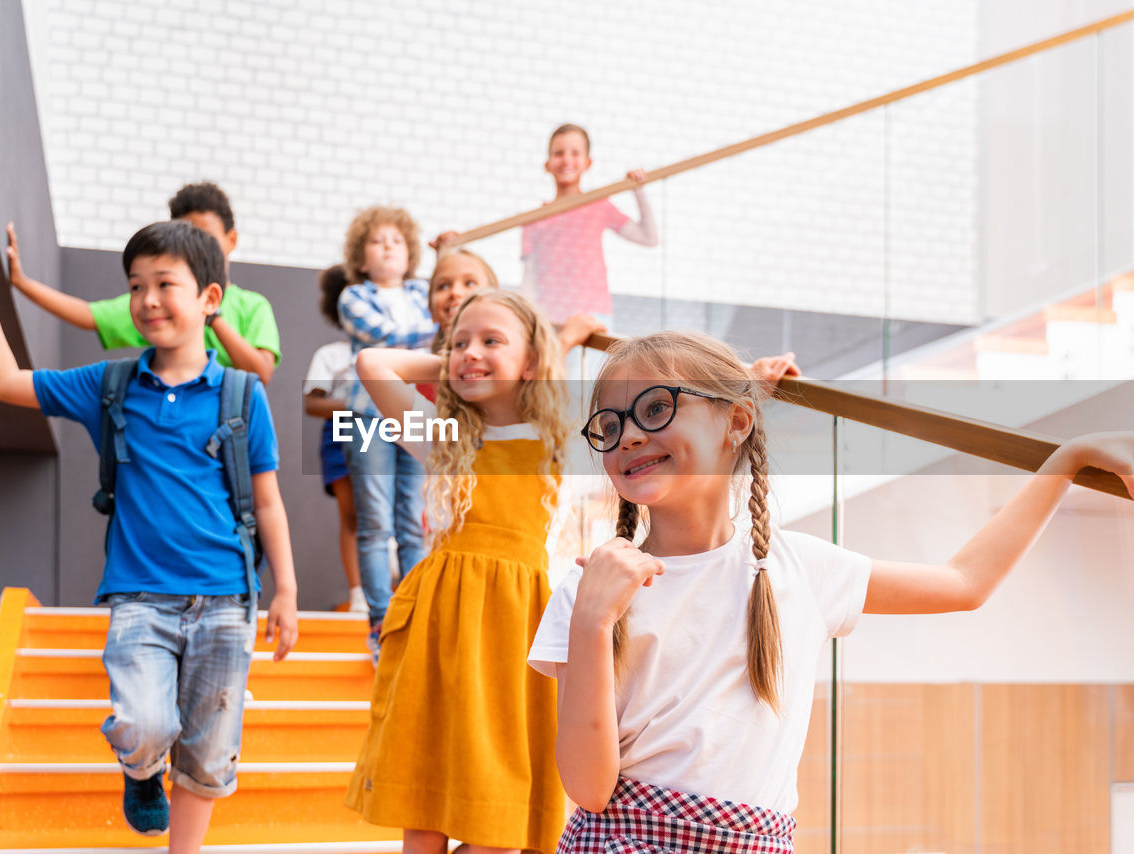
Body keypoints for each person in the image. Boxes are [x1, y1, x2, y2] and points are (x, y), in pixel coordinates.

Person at [528, 330, 1134, 853]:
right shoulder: (590, 585)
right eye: (609, 425)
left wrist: (1065, 460)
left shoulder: (803, 567)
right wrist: (592, 621)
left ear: (736, 422)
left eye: (656, 408)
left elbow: (964, 583)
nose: (629, 435)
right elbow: (587, 788)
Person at [0, 206, 299, 853]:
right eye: (135, 285)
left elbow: (269, 500)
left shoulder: (241, 396)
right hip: (140, 597)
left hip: (228, 598)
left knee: (209, 750)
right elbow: (4, 381)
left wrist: (284, 589)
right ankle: (141, 772)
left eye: (164, 283)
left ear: (209, 297)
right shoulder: (110, 385)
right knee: (144, 724)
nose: (145, 300)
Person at [345, 291, 571, 854]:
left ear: (534, 361)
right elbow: (373, 364)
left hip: (515, 630)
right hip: (442, 624)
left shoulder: (560, 441)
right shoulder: (445, 435)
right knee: (425, 804)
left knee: (498, 812)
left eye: (491, 341)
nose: (470, 352)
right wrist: (455, 365)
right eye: (460, 342)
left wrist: (748, 381)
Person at [5, 181, 280, 383]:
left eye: (205, 235)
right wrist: (22, 282)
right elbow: (89, 314)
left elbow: (261, 372)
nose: (150, 301)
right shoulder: (153, 304)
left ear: (231, 240)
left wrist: (212, 317)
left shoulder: (252, 306)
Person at [336, 206, 436, 655]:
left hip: (415, 410)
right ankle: (380, 623)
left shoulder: (423, 291)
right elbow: (392, 338)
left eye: (396, 240)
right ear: (361, 257)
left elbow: (451, 316)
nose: (388, 246)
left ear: (410, 252)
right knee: (375, 522)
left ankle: (415, 616)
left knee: (412, 524)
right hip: (365, 416)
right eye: (377, 241)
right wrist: (436, 330)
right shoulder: (353, 297)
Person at [520, 123, 658, 327]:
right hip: (549, 319)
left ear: (588, 162)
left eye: (575, 153)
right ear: (547, 164)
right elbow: (529, 278)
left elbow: (649, 238)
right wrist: (528, 320)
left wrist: (638, 190)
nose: (567, 160)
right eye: (558, 153)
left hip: (594, 315)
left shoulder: (598, 205)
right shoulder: (534, 218)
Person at [303, 264, 365, 613]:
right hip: (343, 434)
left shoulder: (400, 352)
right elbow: (312, 403)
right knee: (352, 514)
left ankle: (392, 588)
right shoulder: (331, 355)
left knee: (393, 511)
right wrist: (358, 404)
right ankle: (358, 592)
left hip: (389, 434)